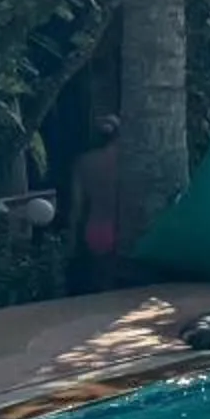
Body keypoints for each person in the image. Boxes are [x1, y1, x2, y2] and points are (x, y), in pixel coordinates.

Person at [66, 114, 122, 290]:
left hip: (95, 229)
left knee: (99, 284)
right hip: (123, 228)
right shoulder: (127, 161)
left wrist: (72, 239)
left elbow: (77, 206)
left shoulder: (83, 162)